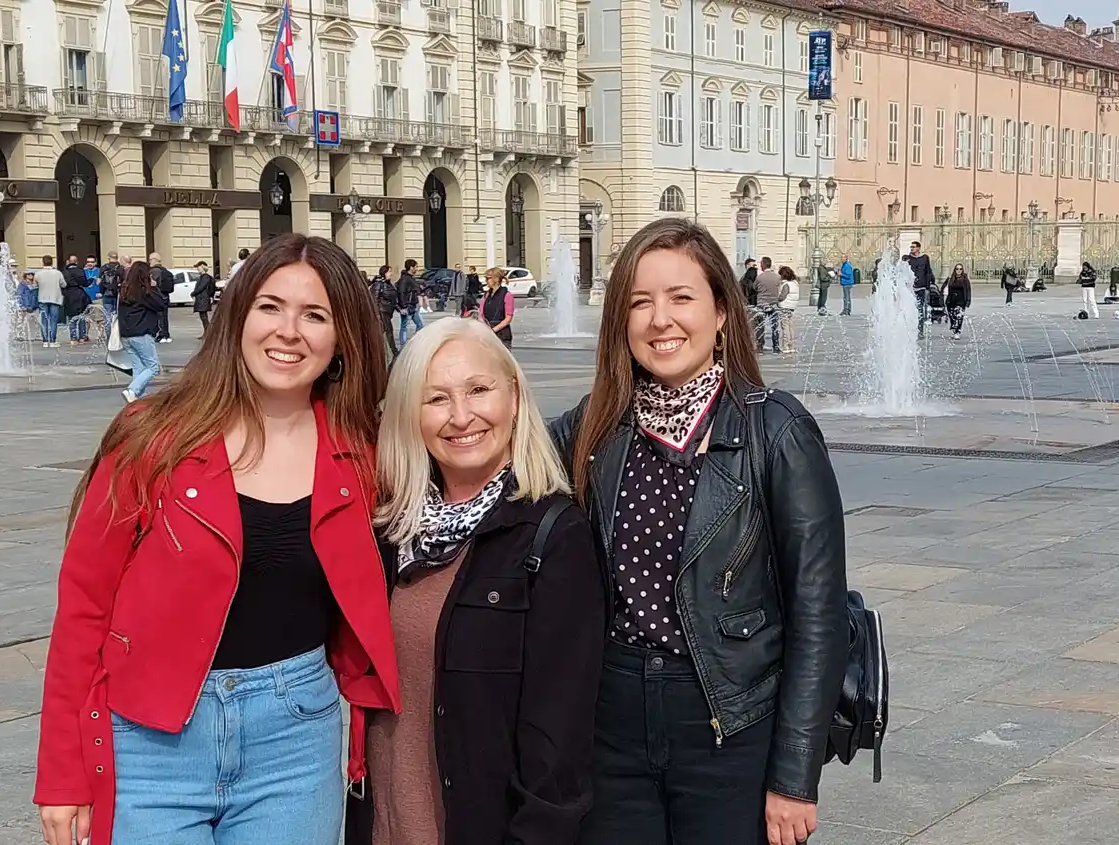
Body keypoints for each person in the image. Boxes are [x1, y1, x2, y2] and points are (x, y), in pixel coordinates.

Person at [34, 233, 399, 845]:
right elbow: (83, 610)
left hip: (294, 739)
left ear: (341, 339)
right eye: (270, 307)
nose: (288, 331)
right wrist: (62, 773)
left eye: (315, 315)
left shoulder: (363, 455)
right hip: (151, 740)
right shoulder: (153, 437)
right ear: (237, 317)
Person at [549, 217, 848, 845]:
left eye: (681, 297)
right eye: (640, 302)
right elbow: (501, 457)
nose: (661, 319)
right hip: (612, 724)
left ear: (722, 313)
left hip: (730, 722)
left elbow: (818, 617)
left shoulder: (777, 432)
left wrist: (795, 777)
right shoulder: (595, 428)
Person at [352, 317, 605, 845]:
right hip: (383, 825)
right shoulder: (389, 531)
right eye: (436, 398)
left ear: (513, 397)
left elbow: (559, 740)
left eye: (478, 390)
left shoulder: (552, 536)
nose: (461, 416)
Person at [116, 261, 168, 402]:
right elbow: (161, 305)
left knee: (138, 368)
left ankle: (137, 397)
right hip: (141, 333)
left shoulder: (124, 290)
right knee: (153, 367)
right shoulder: (144, 291)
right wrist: (154, 287)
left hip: (126, 334)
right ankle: (132, 390)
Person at [753, 256, 785, 353]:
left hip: (762, 303)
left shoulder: (760, 277)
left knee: (760, 326)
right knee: (774, 326)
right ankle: (776, 346)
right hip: (773, 303)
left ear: (763, 264)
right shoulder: (777, 277)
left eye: (761, 264)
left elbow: (754, 287)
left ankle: (760, 347)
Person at [479, 267, 515, 348]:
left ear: (496, 279)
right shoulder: (486, 295)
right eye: (486, 278)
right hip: (487, 333)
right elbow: (481, 314)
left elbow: (508, 318)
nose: (486, 280)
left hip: (502, 335)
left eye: (488, 278)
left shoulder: (507, 295)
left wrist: (493, 330)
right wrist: (484, 328)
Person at [35, 255, 66, 347]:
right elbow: (64, 284)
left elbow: (35, 285)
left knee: (43, 320)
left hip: (42, 298)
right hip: (55, 298)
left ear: (43, 262)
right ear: (52, 262)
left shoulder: (38, 273)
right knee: (53, 320)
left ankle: (45, 341)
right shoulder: (57, 273)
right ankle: (52, 341)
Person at [371, 265, 400, 358]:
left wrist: (399, 309)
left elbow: (393, 299)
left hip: (387, 312)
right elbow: (374, 300)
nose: (391, 273)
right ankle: (393, 352)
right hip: (382, 312)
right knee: (388, 333)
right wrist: (377, 314)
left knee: (385, 333)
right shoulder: (379, 284)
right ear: (384, 273)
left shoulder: (388, 284)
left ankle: (388, 353)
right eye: (389, 271)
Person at [63, 256, 92, 345]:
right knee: (81, 316)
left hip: (68, 295)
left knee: (71, 317)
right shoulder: (80, 270)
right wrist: (91, 280)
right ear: (76, 262)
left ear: (68, 262)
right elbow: (85, 283)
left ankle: (73, 338)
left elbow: (62, 284)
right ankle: (82, 337)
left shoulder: (64, 272)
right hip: (79, 294)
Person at [149, 252, 176, 343]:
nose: (149, 262)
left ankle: (161, 335)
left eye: (150, 259)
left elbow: (152, 285)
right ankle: (166, 335)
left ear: (155, 260)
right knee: (164, 317)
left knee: (158, 317)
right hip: (165, 297)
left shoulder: (154, 271)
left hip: (157, 297)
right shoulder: (165, 270)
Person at [396, 259, 423, 344]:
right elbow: (401, 292)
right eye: (416, 267)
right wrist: (404, 307)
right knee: (404, 327)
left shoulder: (410, 278)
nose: (417, 269)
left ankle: (414, 342)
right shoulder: (405, 279)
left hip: (413, 305)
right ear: (411, 267)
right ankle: (403, 345)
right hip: (407, 306)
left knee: (420, 325)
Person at [777, 265, 801, 354]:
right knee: (790, 326)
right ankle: (792, 345)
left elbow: (782, 297)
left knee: (785, 327)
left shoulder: (786, 284)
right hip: (791, 307)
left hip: (784, 307)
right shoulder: (795, 283)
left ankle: (785, 346)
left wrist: (777, 299)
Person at [944, 263, 972, 338]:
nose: (959, 270)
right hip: (951, 300)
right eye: (957, 269)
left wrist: (968, 301)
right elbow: (944, 287)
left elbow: (968, 290)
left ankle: (957, 332)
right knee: (952, 316)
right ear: (955, 270)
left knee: (959, 316)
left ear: (962, 270)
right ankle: (954, 329)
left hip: (961, 300)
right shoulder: (951, 278)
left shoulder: (965, 279)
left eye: (960, 269)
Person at [192, 260, 218, 336]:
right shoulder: (203, 277)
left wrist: (193, 293)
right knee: (203, 316)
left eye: (199, 267)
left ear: (203, 267)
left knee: (204, 317)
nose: (198, 269)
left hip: (203, 298)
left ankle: (208, 333)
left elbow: (201, 287)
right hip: (202, 298)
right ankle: (207, 333)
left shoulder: (205, 277)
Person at [100, 251, 124, 332]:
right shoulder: (120, 268)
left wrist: (101, 291)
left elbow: (100, 281)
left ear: (108, 257)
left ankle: (109, 335)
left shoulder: (104, 268)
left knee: (108, 316)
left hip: (106, 294)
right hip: (118, 294)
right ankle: (117, 333)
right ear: (117, 258)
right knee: (118, 315)